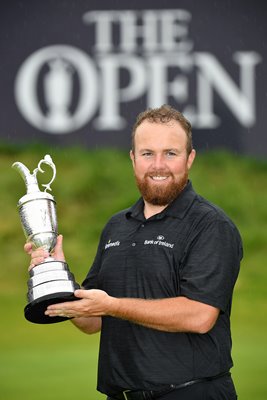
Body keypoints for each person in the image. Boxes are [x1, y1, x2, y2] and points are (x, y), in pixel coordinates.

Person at [25, 104, 242, 400]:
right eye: (147, 153)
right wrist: (60, 279)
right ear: (133, 159)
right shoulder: (117, 226)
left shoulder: (210, 225)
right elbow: (93, 321)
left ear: (189, 158)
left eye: (171, 153)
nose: (158, 165)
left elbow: (200, 316)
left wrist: (112, 306)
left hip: (192, 393)